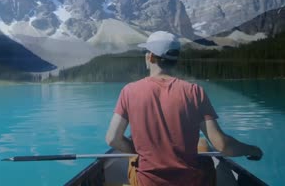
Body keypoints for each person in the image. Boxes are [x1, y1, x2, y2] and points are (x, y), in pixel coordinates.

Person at [105, 31, 263, 186]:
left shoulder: (129, 91)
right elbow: (222, 145)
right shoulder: (194, 91)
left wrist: (139, 151)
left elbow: (112, 139)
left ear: (150, 57)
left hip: (147, 183)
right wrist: (253, 149)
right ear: (174, 60)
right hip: (191, 182)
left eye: (147, 52)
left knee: (132, 161)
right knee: (204, 151)